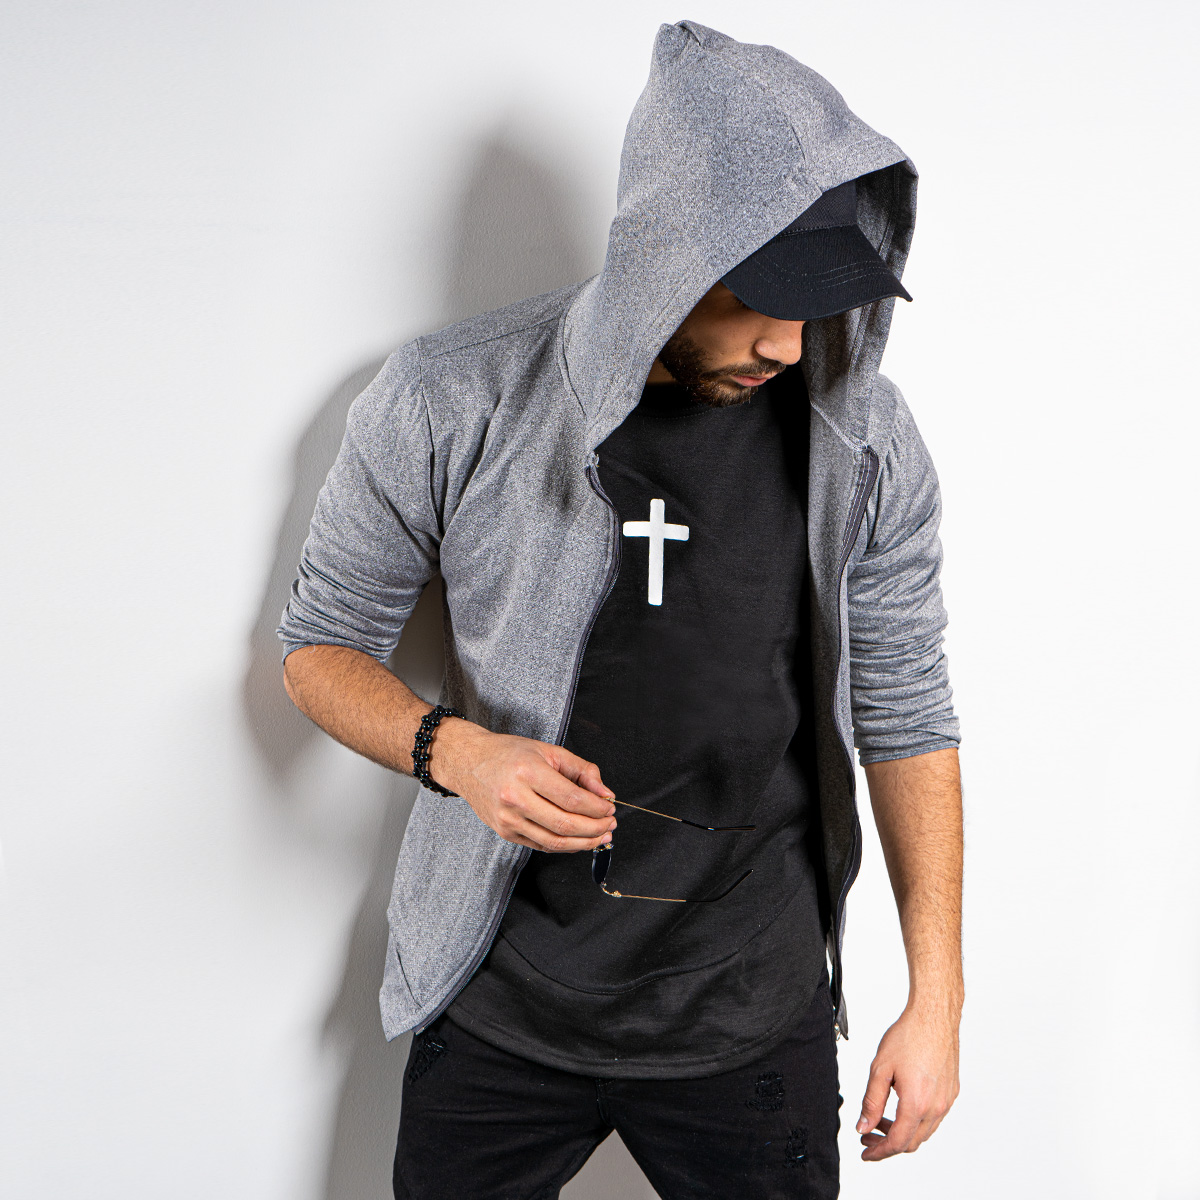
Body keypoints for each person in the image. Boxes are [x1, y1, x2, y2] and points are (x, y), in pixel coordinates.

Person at [279, 19, 963, 1199]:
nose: (786, 345)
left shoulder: (864, 441)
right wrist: (461, 754)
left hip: (752, 1011)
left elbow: (909, 714)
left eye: (815, 307)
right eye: (758, 299)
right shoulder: (452, 400)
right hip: (499, 998)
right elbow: (318, 648)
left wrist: (936, 997)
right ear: (666, 255)